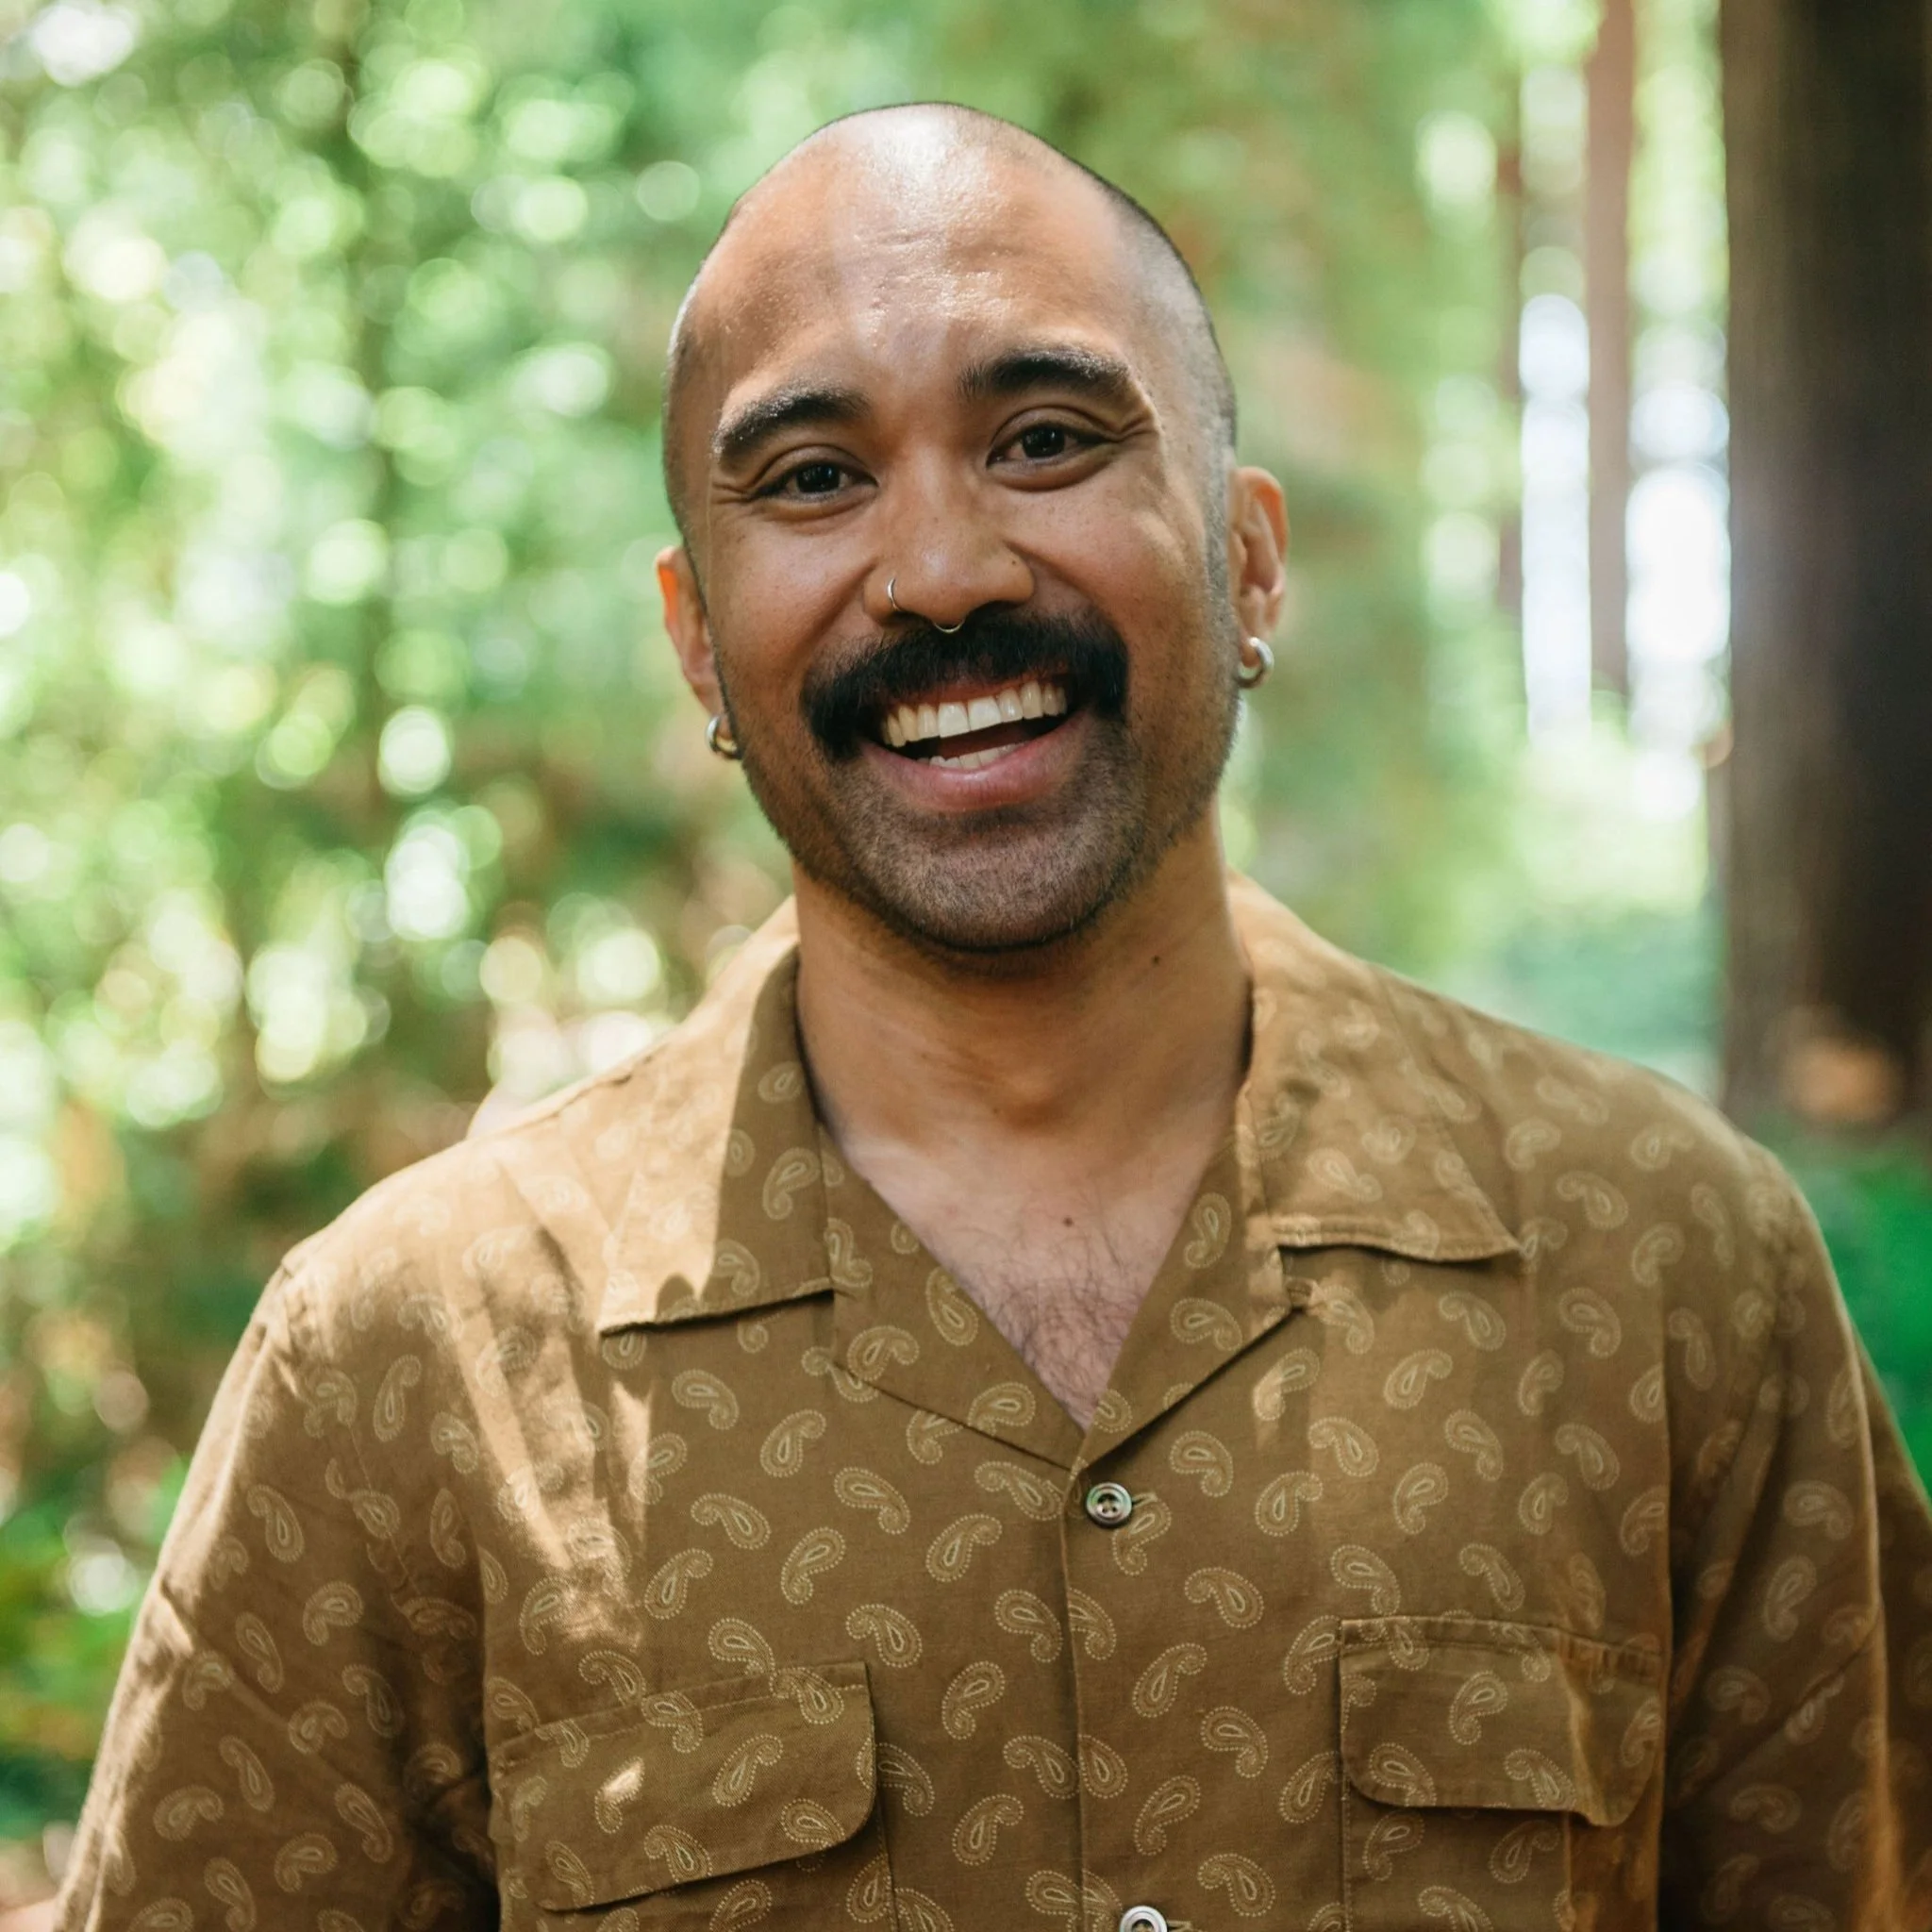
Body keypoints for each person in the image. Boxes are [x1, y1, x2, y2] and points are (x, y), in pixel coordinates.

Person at [58, 104, 1932, 1932]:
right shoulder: (414, 1363)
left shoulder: (1664, 1267)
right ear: (697, 641)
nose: (942, 570)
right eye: (810, 478)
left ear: (1250, 555)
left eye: (1044, 439)